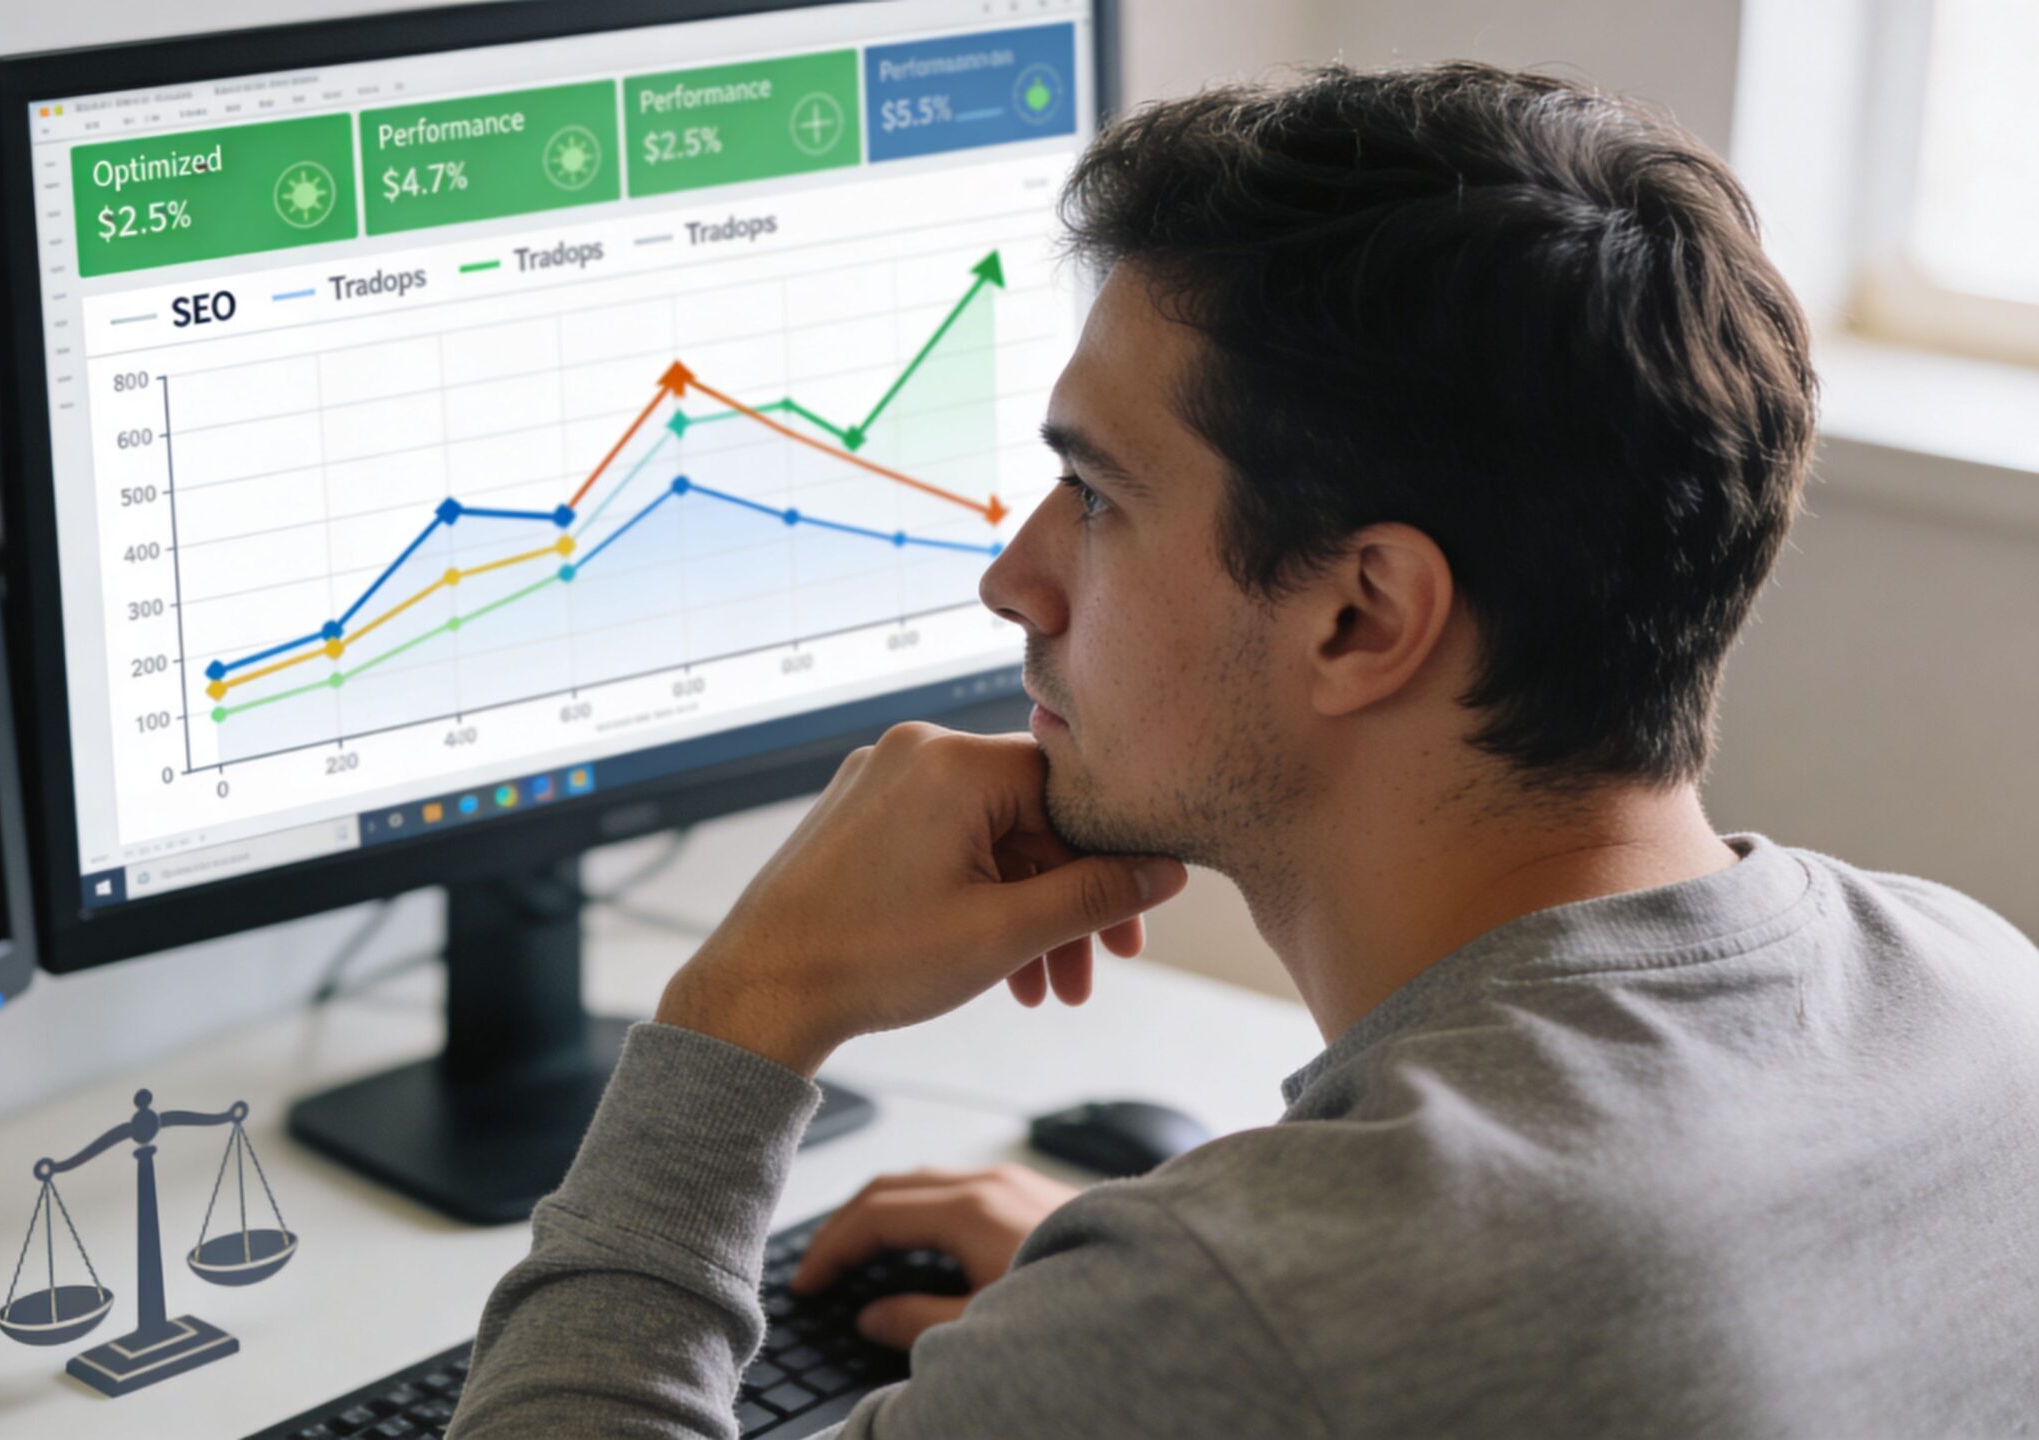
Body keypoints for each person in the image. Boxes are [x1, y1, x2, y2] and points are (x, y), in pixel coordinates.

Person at [449, 62, 2039, 1438]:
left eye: (1098, 496)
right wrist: (1136, 1297)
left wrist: (744, 1009)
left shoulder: (1258, 1309)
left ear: (1361, 616)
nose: (1014, 578)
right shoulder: (1980, 989)